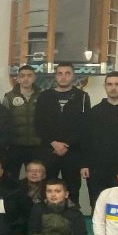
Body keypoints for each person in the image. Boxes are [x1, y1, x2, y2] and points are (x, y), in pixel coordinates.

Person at [80, 71, 118, 203]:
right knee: (98, 203)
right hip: (97, 167)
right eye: (109, 84)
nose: (113, 88)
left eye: (117, 84)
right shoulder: (95, 111)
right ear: (105, 86)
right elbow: (86, 139)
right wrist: (84, 164)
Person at [35, 62, 90, 204]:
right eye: (60, 73)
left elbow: (84, 127)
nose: (63, 77)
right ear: (55, 76)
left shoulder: (82, 97)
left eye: (67, 73)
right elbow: (38, 124)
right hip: (48, 150)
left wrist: (67, 145)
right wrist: (53, 143)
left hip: (72, 152)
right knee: (47, 188)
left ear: (73, 76)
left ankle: (72, 216)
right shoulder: (45, 96)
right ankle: (48, 216)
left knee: (72, 189)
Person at [2, 64, 41, 180]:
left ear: (34, 78)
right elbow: (3, 122)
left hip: (36, 146)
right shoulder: (9, 97)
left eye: (29, 75)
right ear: (18, 78)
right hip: (15, 146)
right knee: (11, 178)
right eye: (22, 76)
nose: (26, 79)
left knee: (35, 178)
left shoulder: (42, 96)